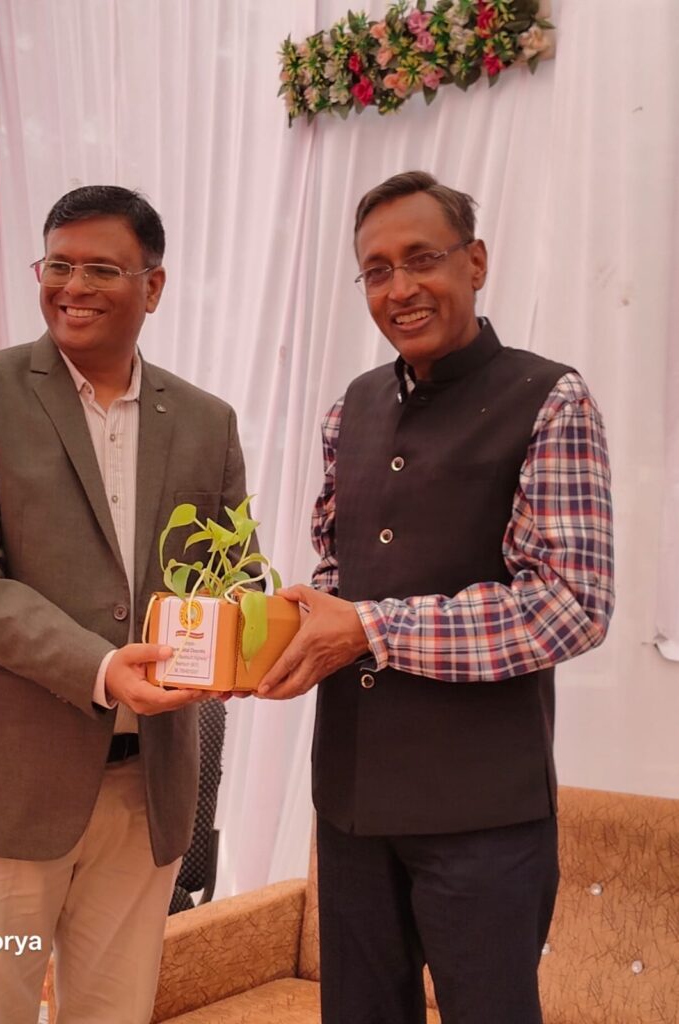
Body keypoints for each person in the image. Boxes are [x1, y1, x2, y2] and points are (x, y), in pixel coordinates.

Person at [258, 171, 614, 1024]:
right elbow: (340, 573)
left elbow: (570, 603)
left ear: (475, 262)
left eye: (422, 259)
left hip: (482, 815)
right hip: (349, 802)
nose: (399, 288)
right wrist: (277, 637)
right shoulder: (350, 408)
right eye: (376, 270)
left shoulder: (549, 398)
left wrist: (367, 629)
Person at [0, 186, 251, 1024]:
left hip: (144, 793)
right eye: (58, 265)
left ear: (152, 286)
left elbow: (225, 574)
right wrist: (101, 667)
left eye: (101, 269)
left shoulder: (205, 421)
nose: (73, 286)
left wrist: (250, 638)